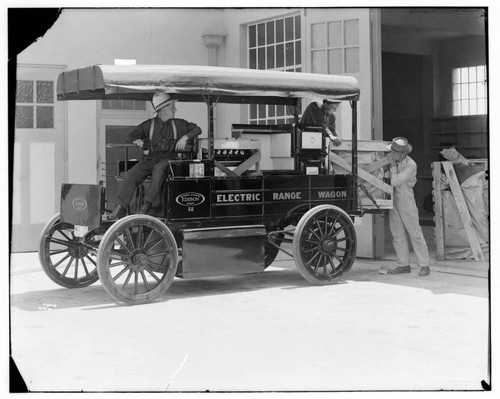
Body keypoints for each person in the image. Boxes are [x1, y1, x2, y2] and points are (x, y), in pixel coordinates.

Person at [109, 93, 202, 219]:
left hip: (170, 158)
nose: (175, 109)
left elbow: (197, 129)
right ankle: (120, 207)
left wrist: (185, 137)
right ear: (163, 109)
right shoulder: (149, 125)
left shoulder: (179, 124)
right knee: (131, 174)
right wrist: (137, 141)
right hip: (151, 158)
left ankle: (147, 205)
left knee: (158, 169)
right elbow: (131, 136)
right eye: (172, 107)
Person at [385, 137, 431, 276]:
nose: (391, 154)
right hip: (394, 198)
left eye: (393, 152)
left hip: (406, 198)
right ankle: (403, 264)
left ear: (402, 153)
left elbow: (395, 181)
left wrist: (391, 169)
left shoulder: (411, 165)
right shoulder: (393, 160)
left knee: (415, 232)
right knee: (397, 233)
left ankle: (424, 265)